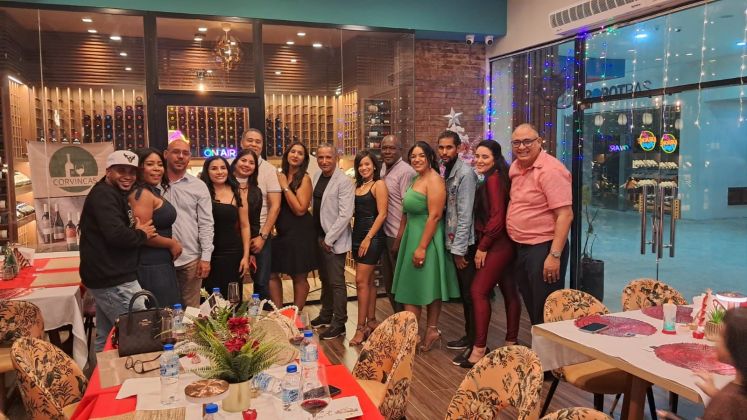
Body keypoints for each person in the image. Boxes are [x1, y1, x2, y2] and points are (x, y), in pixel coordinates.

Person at [80, 150, 156, 352]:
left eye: (132, 172)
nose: (127, 176)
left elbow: (118, 230)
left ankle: (101, 372)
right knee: (138, 335)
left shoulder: (111, 193)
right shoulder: (104, 195)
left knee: (107, 337)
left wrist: (134, 230)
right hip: (114, 279)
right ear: (108, 171)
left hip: (109, 275)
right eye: (121, 170)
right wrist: (141, 234)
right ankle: (130, 373)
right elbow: (116, 235)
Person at [392, 141, 459, 352]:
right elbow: (406, 212)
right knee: (418, 286)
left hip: (426, 239)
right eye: (413, 156)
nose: (417, 159)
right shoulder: (415, 178)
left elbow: (435, 216)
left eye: (421, 155)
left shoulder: (434, 180)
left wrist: (421, 247)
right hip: (412, 236)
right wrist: (400, 238)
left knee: (423, 287)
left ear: (430, 157)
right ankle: (425, 332)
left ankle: (417, 335)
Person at [458, 140, 519, 368]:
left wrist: (483, 246)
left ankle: (479, 349)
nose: (479, 160)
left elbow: (496, 217)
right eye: (477, 156)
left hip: (497, 244)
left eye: (485, 156)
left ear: (495, 158)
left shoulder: (493, 180)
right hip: (506, 242)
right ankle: (511, 341)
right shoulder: (498, 176)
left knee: (478, 291)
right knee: (510, 291)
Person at [506, 123, 573, 325]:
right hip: (522, 246)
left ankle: (549, 346)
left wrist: (554, 256)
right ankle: (538, 343)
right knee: (532, 306)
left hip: (544, 248)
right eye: (516, 142)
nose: (521, 147)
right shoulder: (515, 167)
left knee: (546, 310)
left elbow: (565, 215)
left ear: (539, 142)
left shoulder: (551, 170)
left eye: (527, 141)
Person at [657, 307, 747, 420]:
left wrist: (670, 417)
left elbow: (728, 407)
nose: (716, 341)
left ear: (736, 348)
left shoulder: (724, 403)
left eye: (721, 337)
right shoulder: (737, 393)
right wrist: (715, 393)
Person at [437, 130, 478, 362]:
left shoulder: (465, 174)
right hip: (455, 243)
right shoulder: (448, 170)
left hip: (465, 246)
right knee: (465, 294)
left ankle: (475, 344)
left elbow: (465, 215)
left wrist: (459, 251)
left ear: (459, 148)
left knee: (471, 296)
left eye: (449, 147)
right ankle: (469, 336)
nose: (444, 152)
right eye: (441, 147)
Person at [309, 143, 354, 340]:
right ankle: (326, 314)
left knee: (336, 283)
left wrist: (329, 239)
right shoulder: (317, 176)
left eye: (328, 157)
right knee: (325, 279)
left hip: (333, 240)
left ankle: (339, 322)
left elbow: (345, 215)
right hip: (319, 237)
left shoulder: (343, 181)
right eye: (321, 157)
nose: (324, 161)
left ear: (336, 158)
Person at [162, 138, 214, 307]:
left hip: (190, 259)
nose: (180, 156)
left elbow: (206, 223)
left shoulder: (199, 186)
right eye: (176, 152)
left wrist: (206, 258)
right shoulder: (154, 184)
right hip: (160, 259)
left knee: (191, 312)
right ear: (166, 154)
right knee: (164, 310)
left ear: (189, 158)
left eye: (185, 153)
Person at [129, 148, 182, 308]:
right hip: (151, 264)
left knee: (169, 312)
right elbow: (144, 235)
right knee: (161, 314)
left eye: (160, 164)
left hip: (161, 261)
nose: (157, 168)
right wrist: (172, 243)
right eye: (150, 164)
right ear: (139, 167)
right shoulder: (142, 194)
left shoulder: (151, 191)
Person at [269, 142, 318, 310]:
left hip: (301, 233)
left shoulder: (304, 178)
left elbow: (300, 209)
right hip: (282, 233)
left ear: (304, 159)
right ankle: (278, 313)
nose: (296, 155)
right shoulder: (279, 175)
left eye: (300, 153)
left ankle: (296, 315)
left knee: (299, 276)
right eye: (293, 151)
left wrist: (284, 186)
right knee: (271, 272)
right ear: (287, 154)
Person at [349, 150, 388, 346]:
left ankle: (360, 328)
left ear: (374, 166)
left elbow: (382, 214)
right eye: (360, 165)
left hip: (371, 238)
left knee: (361, 282)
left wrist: (368, 238)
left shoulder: (378, 184)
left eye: (367, 164)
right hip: (357, 236)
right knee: (369, 282)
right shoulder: (357, 186)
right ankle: (371, 320)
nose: (364, 168)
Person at [199, 156, 251, 300]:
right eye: (214, 168)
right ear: (207, 171)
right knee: (207, 297)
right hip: (206, 253)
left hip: (232, 253)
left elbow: (245, 226)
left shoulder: (237, 192)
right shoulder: (201, 191)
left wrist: (246, 256)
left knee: (232, 296)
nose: (219, 172)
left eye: (223, 168)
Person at [240, 129, 281, 301]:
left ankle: (260, 316)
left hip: (260, 233)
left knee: (262, 282)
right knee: (234, 280)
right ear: (242, 142)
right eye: (250, 140)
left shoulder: (269, 170)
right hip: (234, 234)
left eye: (258, 142)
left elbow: (275, 206)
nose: (253, 144)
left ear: (262, 146)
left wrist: (263, 236)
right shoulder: (231, 166)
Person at [379, 135, 415, 313]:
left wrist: (399, 239)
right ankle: (398, 319)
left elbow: (407, 208)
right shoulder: (384, 168)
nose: (387, 151)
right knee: (390, 283)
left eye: (392, 148)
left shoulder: (406, 172)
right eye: (384, 148)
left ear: (400, 150)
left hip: (397, 236)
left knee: (401, 284)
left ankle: (406, 322)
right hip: (386, 234)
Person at [230, 149, 261, 280]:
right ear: (235, 162)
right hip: (222, 242)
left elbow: (254, 222)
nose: (247, 165)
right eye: (243, 160)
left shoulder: (256, 191)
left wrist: (251, 253)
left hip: (243, 244)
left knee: (237, 284)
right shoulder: (223, 185)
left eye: (251, 163)